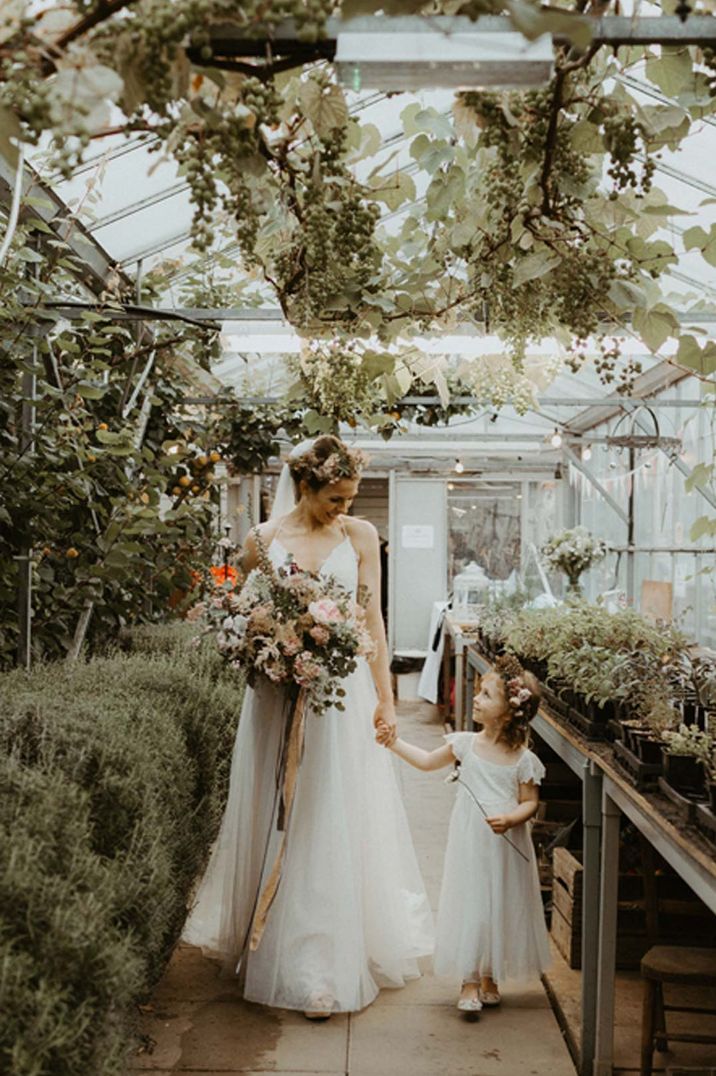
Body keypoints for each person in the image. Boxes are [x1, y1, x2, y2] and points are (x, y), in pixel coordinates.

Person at [182, 435, 433, 1018]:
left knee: (328, 814)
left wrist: (387, 698)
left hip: (342, 700)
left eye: (349, 498)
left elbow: (370, 616)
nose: (343, 508)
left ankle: (321, 961)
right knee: (282, 812)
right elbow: (238, 603)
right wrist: (263, 639)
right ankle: (271, 938)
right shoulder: (263, 542)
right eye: (334, 499)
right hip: (278, 698)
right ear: (304, 487)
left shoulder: (361, 536)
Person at [376, 654, 551, 1015]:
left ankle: (491, 974)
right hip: (471, 841)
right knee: (473, 902)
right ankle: (469, 978)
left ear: (508, 711)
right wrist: (394, 743)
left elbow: (530, 802)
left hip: (504, 842)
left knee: (499, 904)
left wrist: (512, 817)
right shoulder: (465, 745)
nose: (475, 697)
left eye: (486, 694)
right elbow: (426, 761)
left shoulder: (522, 759)